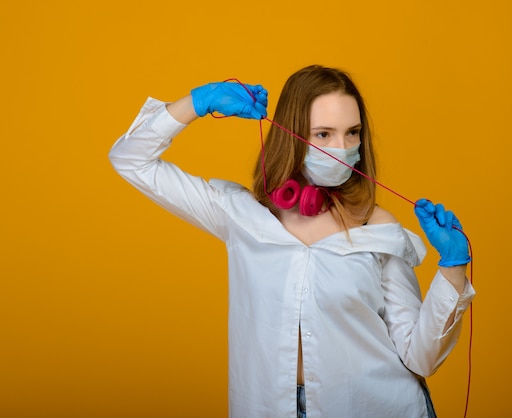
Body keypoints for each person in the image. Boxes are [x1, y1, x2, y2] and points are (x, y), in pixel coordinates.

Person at [109, 64, 475, 418]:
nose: (342, 147)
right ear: (292, 134)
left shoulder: (377, 227)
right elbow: (130, 160)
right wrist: (198, 102)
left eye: (352, 132)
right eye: (323, 134)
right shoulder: (241, 216)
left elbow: (421, 357)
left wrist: (453, 270)